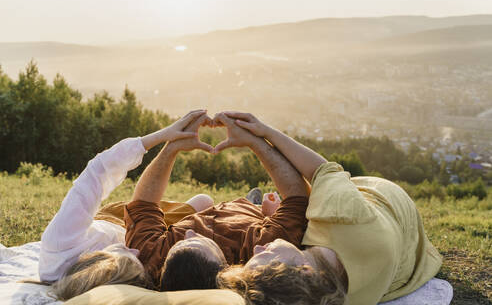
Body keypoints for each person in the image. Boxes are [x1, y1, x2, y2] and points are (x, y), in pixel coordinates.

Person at [215, 112, 443, 305]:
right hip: (385, 198)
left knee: (304, 207)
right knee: (310, 199)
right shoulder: (342, 214)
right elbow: (322, 170)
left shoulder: (329, 297)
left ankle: (262, 208)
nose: (257, 250)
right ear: (304, 270)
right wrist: (263, 132)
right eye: (267, 256)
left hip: (401, 253)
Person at [124, 111, 317, 294]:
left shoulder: (154, 259)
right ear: (224, 267)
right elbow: (297, 197)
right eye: (198, 240)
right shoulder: (261, 253)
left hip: (221, 210)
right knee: (263, 205)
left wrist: (172, 147)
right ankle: (256, 205)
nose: (189, 233)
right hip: (251, 213)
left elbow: (143, 203)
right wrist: (255, 142)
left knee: (203, 201)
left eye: (180, 243)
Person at [38, 109, 215, 300]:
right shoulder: (130, 273)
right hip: (143, 235)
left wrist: (164, 135)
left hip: (115, 218)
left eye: (125, 253)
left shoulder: (60, 243)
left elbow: (98, 171)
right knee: (204, 202)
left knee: (203, 201)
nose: (136, 252)